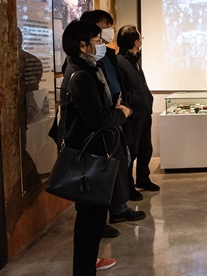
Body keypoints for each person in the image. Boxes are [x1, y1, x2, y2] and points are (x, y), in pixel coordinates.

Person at [59, 20, 132, 274]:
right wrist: (121, 113)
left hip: (93, 153)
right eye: (97, 41)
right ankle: (84, 268)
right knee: (90, 219)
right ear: (82, 45)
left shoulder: (85, 69)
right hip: (90, 156)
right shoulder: (81, 76)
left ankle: (87, 263)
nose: (101, 45)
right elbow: (97, 120)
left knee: (91, 218)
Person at [80, 10, 146, 238]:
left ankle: (117, 208)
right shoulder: (81, 71)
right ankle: (102, 217)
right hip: (105, 122)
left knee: (122, 159)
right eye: (102, 29)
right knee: (103, 171)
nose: (106, 32)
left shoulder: (107, 55)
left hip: (117, 116)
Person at [116, 25, 159, 199]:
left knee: (145, 149)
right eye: (140, 38)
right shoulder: (121, 61)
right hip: (133, 115)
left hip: (144, 112)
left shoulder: (133, 59)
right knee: (131, 151)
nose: (141, 41)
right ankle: (128, 186)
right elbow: (123, 90)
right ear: (136, 42)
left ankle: (143, 178)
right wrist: (136, 102)